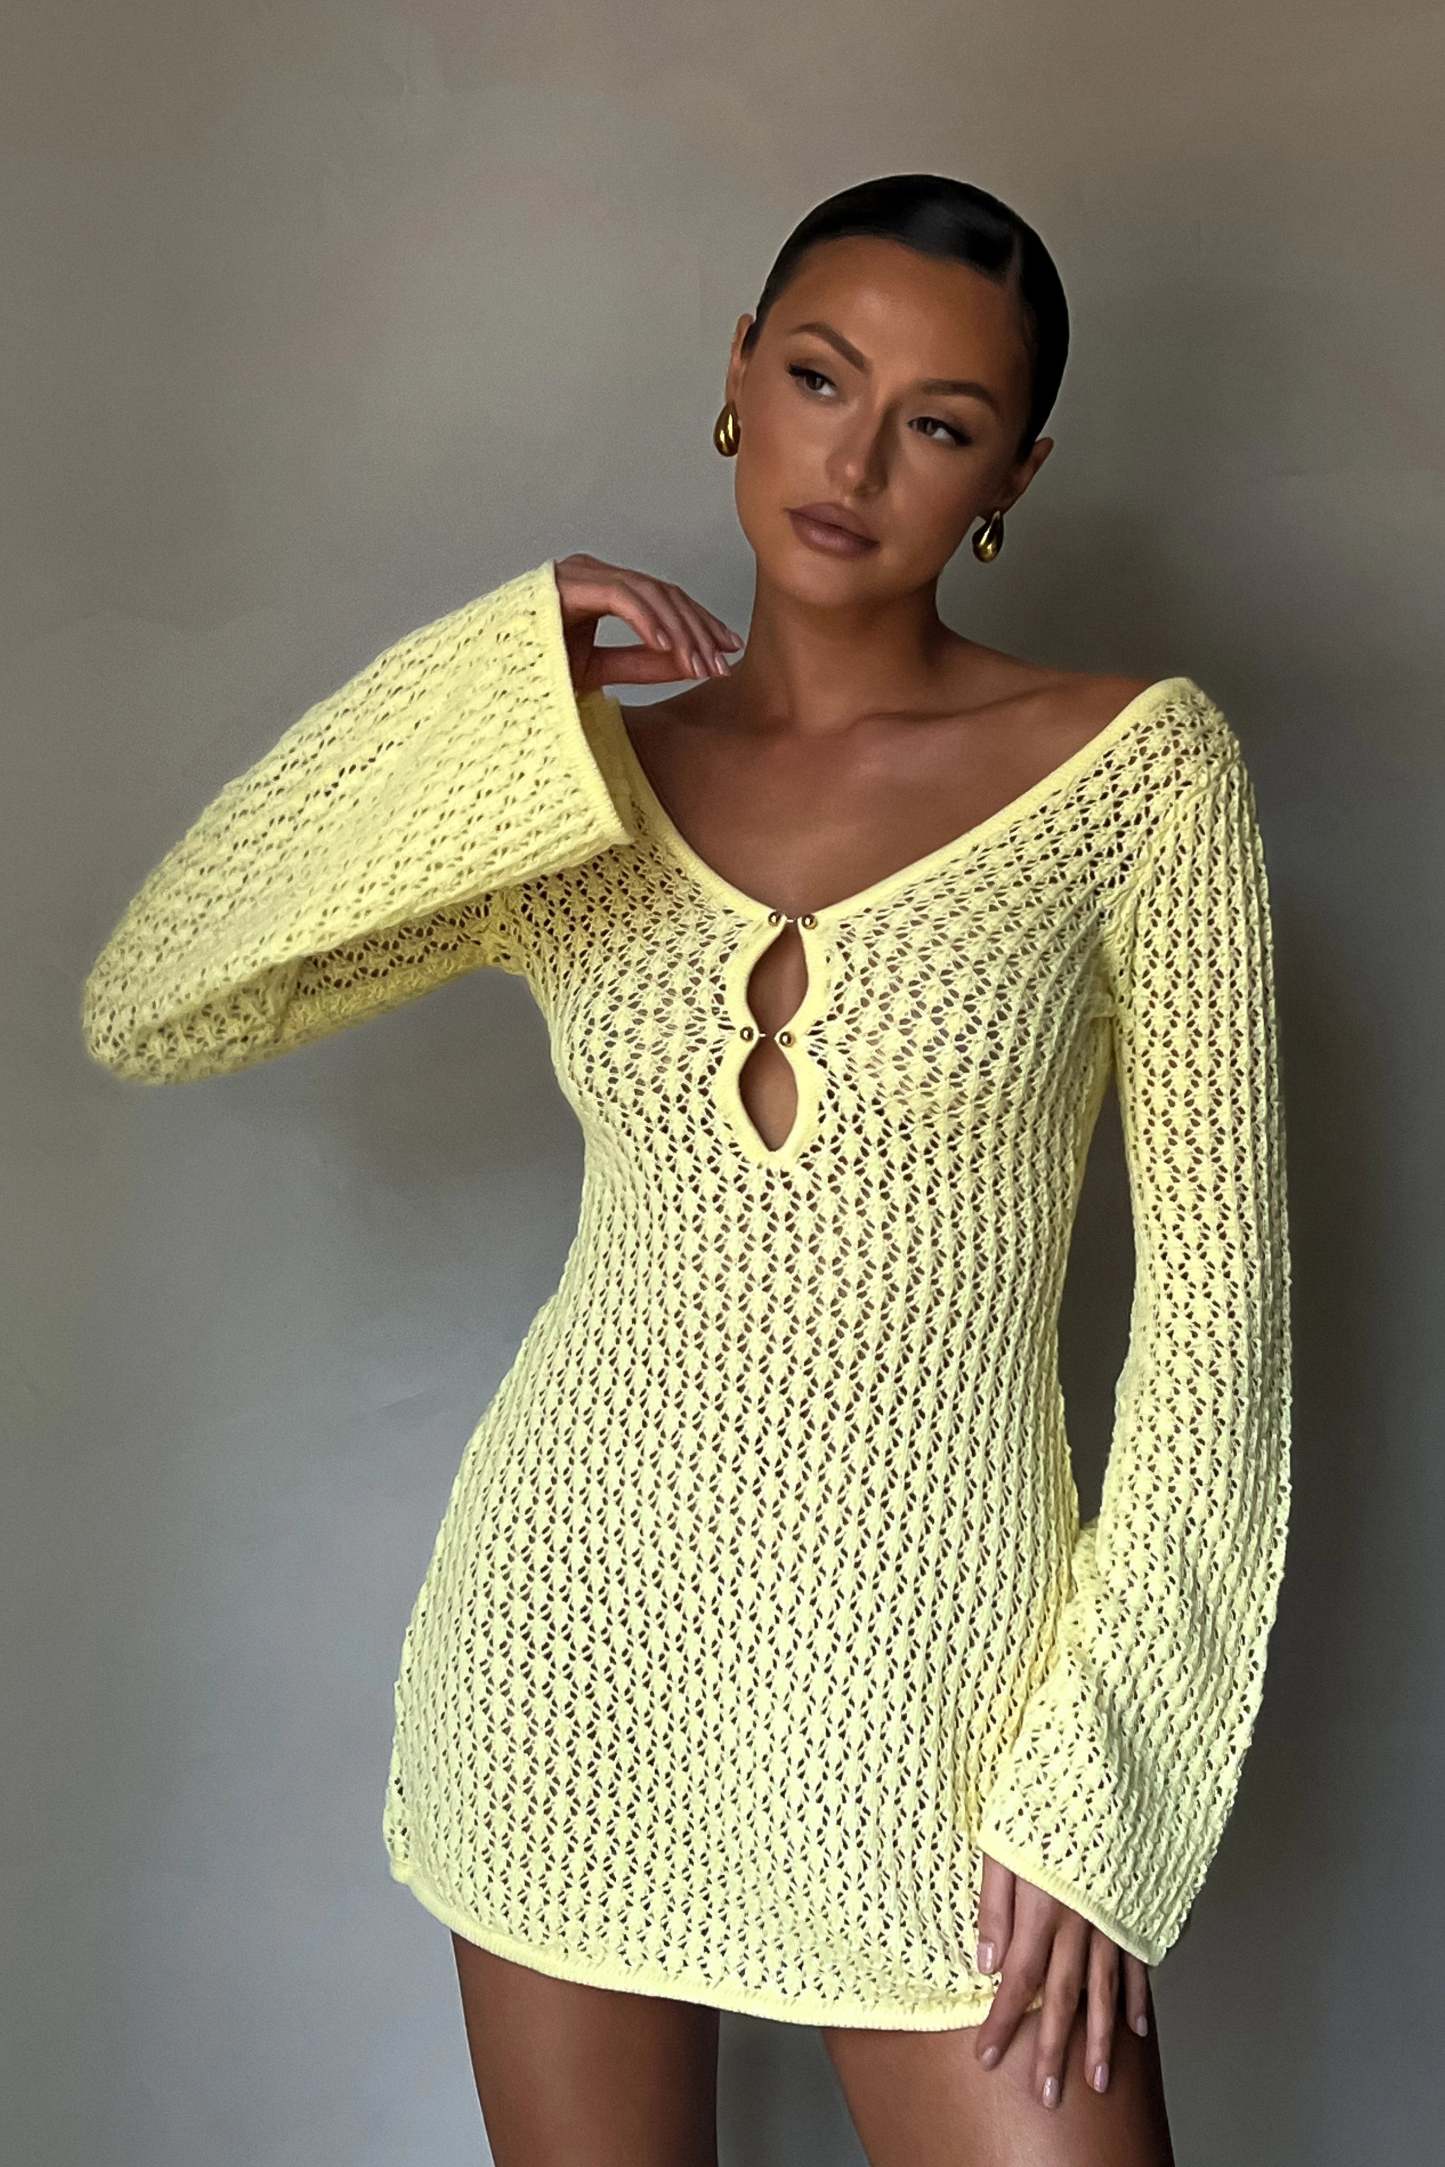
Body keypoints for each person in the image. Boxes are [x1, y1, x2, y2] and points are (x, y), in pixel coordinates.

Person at [81, 172, 1292, 2166]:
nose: (856, 461)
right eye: (818, 377)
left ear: (1014, 474)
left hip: (943, 1703)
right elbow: (167, 996)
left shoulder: (1137, 774)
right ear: (736, 370)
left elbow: (1216, 1345)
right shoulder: (579, 786)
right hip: (570, 1652)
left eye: (939, 423)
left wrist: (1104, 1792)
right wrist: (488, 686)